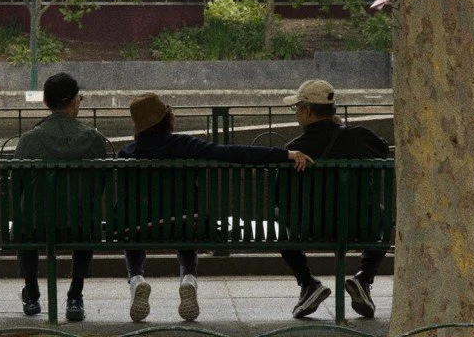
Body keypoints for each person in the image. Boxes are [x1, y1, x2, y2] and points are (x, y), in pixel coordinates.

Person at [119, 92, 314, 322]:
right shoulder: (183, 145)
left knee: (133, 219)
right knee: (185, 215)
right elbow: (231, 153)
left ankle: (137, 279)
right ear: (166, 119)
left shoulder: (127, 154)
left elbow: (123, 204)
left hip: (140, 229)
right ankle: (189, 277)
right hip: (187, 225)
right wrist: (285, 154)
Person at [278, 79, 389, 319]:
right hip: (360, 225)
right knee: (383, 215)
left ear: (307, 111)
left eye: (297, 107)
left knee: (281, 218)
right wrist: (344, 128)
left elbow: (280, 199)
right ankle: (364, 277)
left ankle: (308, 283)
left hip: (309, 228)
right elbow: (383, 150)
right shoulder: (359, 137)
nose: (296, 112)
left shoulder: (294, 148)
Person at [14, 73, 108, 322]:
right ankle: (75, 295)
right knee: (85, 214)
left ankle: (32, 292)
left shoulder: (28, 141)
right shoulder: (95, 140)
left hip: (36, 228)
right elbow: (99, 188)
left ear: (45, 102)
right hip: (79, 228)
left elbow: (17, 188)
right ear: (76, 101)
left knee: (26, 214)